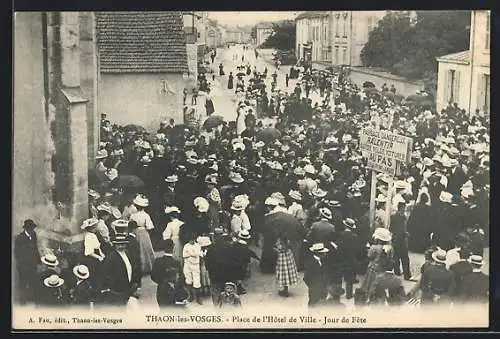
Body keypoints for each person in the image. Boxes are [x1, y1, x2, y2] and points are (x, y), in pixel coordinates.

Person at [100, 235, 141, 306]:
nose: (121, 246)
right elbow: (107, 274)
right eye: (119, 245)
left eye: (123, 244)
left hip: (129, 287)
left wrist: (136, 284)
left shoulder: (128, 254)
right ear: (115, 245)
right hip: (118, 290)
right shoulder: (111, 257)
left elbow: (135, 268)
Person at [151, 239, 186, 308]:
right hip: (174, 291)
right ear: (173, 247)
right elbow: (182, 279)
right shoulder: (176, 262)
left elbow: (153, 276)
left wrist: (161, 282)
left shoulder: (158, 261)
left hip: (161, 290)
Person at [360, 228, 393, 299]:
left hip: (373, 269)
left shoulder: (374, 247)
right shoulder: (390, 248)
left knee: (369, 285)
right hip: (382, 270)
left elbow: (369, 256)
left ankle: (369, 297)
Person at [14, 219, 40, 304]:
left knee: (34, 283)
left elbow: (35, 249)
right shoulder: (20, 238)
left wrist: (39, 260)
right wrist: (22, 265)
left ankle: (36, 301)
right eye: (31, 228)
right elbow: (17, 253)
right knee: (23, 284)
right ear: (26, 229)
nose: (32, 230)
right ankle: (22, 302)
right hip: (23, 266)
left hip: (32, 265)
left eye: (33, 228)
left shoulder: (34, 235)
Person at [129, 195, 156, 276]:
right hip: (144, 232)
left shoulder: (133, 215)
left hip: (135, 232)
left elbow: (130, 225)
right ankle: (147, 267)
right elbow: (150, 226)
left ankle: (139, 267)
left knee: (138, 249)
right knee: (146, 250)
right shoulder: (146, 215)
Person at [337, 218, 360, 300]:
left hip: (341, 258)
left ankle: (337, 293)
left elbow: (338, 246)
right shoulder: (355, 237)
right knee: (349, 277)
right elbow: (357, 249)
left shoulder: (340, 234)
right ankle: (349, 294)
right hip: (351, 259)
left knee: (339, 276)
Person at [81, 218, 106, 289]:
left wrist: (101, 254)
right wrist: (98, 257)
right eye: (94, 227)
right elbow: (89, 252)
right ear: (90, 228)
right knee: (94, 276)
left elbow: (98, 247)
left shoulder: (93, 235)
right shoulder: (88, 236)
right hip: (91, 260)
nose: (95, 228)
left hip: (97, 257)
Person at [390, 201, 411, 280]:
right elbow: (402, 229)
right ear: (402, 208)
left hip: (395, 239)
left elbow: (391, 228)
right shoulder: (402, 217)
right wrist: (405, 234)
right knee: (404, 258)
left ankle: (397, 271)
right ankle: (406, 275)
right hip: (401, 240)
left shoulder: (394, 216)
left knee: (396, 257)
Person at [182, 232, 204, 304]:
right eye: (190, 240)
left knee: (197, 281)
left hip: (195, 265)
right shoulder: (186, 246)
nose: (191, 241)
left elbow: (198, 254)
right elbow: (184, 255)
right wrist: (192, 254)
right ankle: (190, 296)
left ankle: (198, 298)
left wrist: (191, 254)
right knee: (188, 281)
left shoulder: (197, 245)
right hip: (188, 265)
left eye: (193, 240)